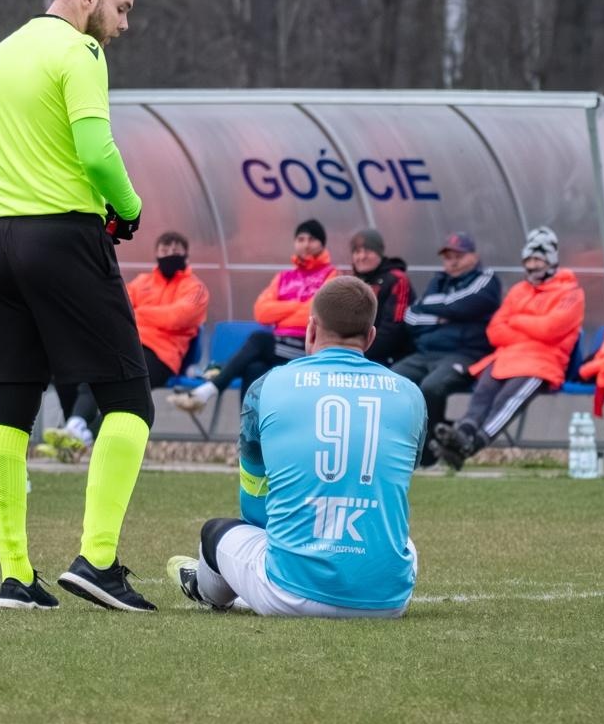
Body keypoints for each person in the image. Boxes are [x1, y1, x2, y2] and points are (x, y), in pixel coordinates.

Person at [0, 0, 156, 612]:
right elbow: (96, 150)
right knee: (131, 402)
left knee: (11, 408)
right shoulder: (79, 53)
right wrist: (129, 208)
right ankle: (97, 560)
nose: (123, 23)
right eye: (122, 7)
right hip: (64, 236)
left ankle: (16, 577)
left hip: (0, 241)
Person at [165, 277, 423, 618]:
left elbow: (253, 504)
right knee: (403, 543)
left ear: (311, 329)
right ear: (371, 336)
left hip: (289, 592)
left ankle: (208, 590)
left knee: (214, 533)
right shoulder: (410, 394)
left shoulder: (266, 386)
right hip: (386, 602)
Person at [43, 230, 208, 459]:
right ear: (156, 254)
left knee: (122, 391)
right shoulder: (142, 282)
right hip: (127, 346)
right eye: (165, 250)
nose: (170, 255)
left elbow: (179, 316)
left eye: (176, 251)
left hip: (163, 356)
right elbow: (118, 309)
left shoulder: (196, 289)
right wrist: (145, 314)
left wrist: (139, 312)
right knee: (91, 370)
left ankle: (79, 438)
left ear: (186, 255)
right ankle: (75, 426)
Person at [430, 226, 584, 470]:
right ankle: (461, 435)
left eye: (538, 259)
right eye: (529, 259)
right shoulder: (519, 290)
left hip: (542, 363)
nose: (532, 265)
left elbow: (551, 329)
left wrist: (517, 321)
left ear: (550, 261)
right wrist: (530, 327)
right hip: (506, 357)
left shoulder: (570, 293)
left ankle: (474, 444)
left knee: (506, 399)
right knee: (482, 393)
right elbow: (494, 330)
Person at [169, 219, 337, 414]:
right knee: (254, 369)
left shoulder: (331, 276)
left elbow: (316, 313)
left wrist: (283, 311)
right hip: (278, 348)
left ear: (322, 244)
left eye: (312, 239)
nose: (306, 244)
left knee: (258, 340)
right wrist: (299, 307)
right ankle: (249, 437)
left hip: (305, 348)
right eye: (301, 239)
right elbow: (261, 312)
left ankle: (209, 389)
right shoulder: (283, 277)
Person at [389, 231, 501, 460]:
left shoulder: (487, 279)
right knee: (390, 382)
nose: (452, 261)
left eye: (458, 255)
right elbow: (411, 317)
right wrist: (445, 314)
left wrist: (437, 309)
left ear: (474, 256)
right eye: (447, 256)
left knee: (432, 387)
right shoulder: (437, 281)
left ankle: (430, 453)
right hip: (426, 353)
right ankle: (396, 448)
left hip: (464, 354)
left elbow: (464, 306)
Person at [347, 228, 413, 365]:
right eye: (357, 252)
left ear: (379, 253)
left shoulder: (397, 280)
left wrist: (356, 352)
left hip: (389, 358)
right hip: (356, 354)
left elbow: (394, 329)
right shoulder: (352, 282)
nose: (361, 257)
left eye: (368, 251)